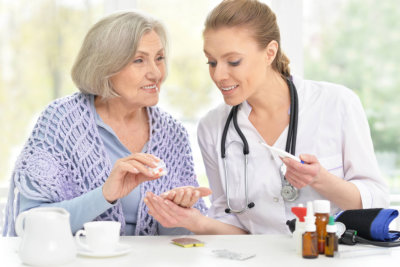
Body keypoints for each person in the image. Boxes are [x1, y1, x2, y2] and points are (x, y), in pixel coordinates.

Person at [144, 0, 390, 234]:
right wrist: (196, 222)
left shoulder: (337, 104)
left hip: (329, 256)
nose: (219, 75)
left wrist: (320, 179)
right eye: (211, 62)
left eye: (233, 61)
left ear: (270, 52)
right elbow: (232, 223)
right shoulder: (212, 128)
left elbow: (375, 199)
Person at [2, 11, 208, 237]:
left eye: (159, 58)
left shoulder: (173, 134)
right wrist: (104, 195)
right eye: (139, 60)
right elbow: (28, 225)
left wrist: (179, 213)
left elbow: (181, 240)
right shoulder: (61, 122)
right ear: (106, 67)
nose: (156, 72)